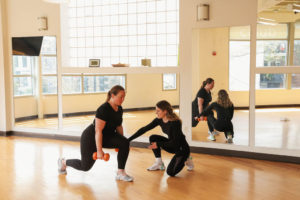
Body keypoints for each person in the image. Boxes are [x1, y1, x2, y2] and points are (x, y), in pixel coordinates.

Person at [57, 85, 133, 182]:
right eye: (121, 97)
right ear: (112, 96)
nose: (123, 99)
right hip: (91, 137)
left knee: (125, 142)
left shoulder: (119, 109)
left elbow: (119, 126)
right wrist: (99, 150)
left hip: (107, 136)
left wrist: (121, 142)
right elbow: (98, 131)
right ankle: (63, 162)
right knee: (85, 166)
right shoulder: (103, 109)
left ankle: (120, 173)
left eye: (124, 97)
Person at [128, 100, 194, 177]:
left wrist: (158, 144)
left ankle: (186, 158)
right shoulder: (159, 120)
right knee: (153, 138)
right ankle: (159, 163)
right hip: (171, 145)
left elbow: (175, 143)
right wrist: (128, 140)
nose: (156, 113)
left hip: (182, 149)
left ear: (165, 111)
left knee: (170, 172)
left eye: (158, 111)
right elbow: (144, 129)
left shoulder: (175, 122)